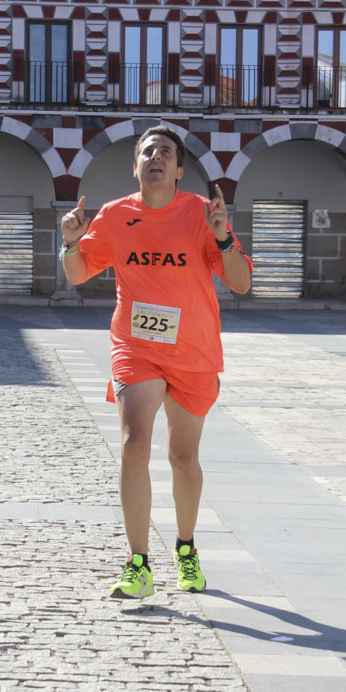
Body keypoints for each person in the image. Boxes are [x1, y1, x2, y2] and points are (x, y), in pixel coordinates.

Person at [60, 126, 252, 599]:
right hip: (136, 345)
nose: (156, 157)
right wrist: (69, 243)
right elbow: (80, 273)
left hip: (192, 350)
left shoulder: (201, 215)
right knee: (133, 445)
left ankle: (185, 549)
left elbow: (242, 283)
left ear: (179, 169)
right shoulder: (115, 215)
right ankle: (138, 563)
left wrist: (224, 238)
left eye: (166, 152)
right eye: (148, 151)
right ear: (136, 166)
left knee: (183, 457)